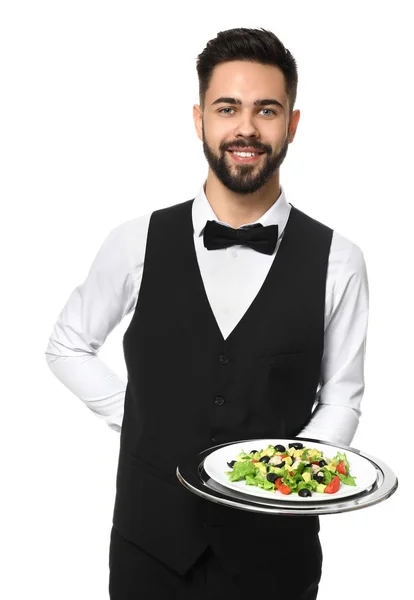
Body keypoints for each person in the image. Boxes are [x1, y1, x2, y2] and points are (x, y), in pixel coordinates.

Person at [45, 27, 368, 599]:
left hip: (277, 559)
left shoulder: (340, 260)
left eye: (266, 110)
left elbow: (341, 396)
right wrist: (139, 416)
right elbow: (67, 345)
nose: (246, 128)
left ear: (292, 124)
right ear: (200, 120)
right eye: (228, 108)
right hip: (150, 550)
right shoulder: (134, 241)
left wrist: (287, 472)